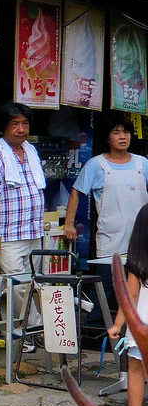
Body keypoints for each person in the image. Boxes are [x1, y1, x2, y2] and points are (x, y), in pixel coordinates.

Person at [0, 102, 46, 353]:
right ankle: (30, 330)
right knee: (19, 286)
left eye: (24, 123)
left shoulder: (31, 151)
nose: (21, 129)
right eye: (15, 124)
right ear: (3, 127)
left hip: (33, 232)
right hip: (10, 235)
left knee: (31, 285)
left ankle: (24, 333)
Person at [64, 116, 148, 320]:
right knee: (106, 287)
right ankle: (94, 331)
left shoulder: (142, 163)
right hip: (110, 239)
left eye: (126, 132)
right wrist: (69, 224)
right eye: (116, 133)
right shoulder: (96, 165)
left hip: (140, 239)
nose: (122, 137)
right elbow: (76, 193)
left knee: (140, 288)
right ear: (108, 137)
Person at [107, 203, 148, 406]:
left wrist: (117, 324)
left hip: (141, 326)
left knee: (136, 370)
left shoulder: (138, 263)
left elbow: (130, 295)